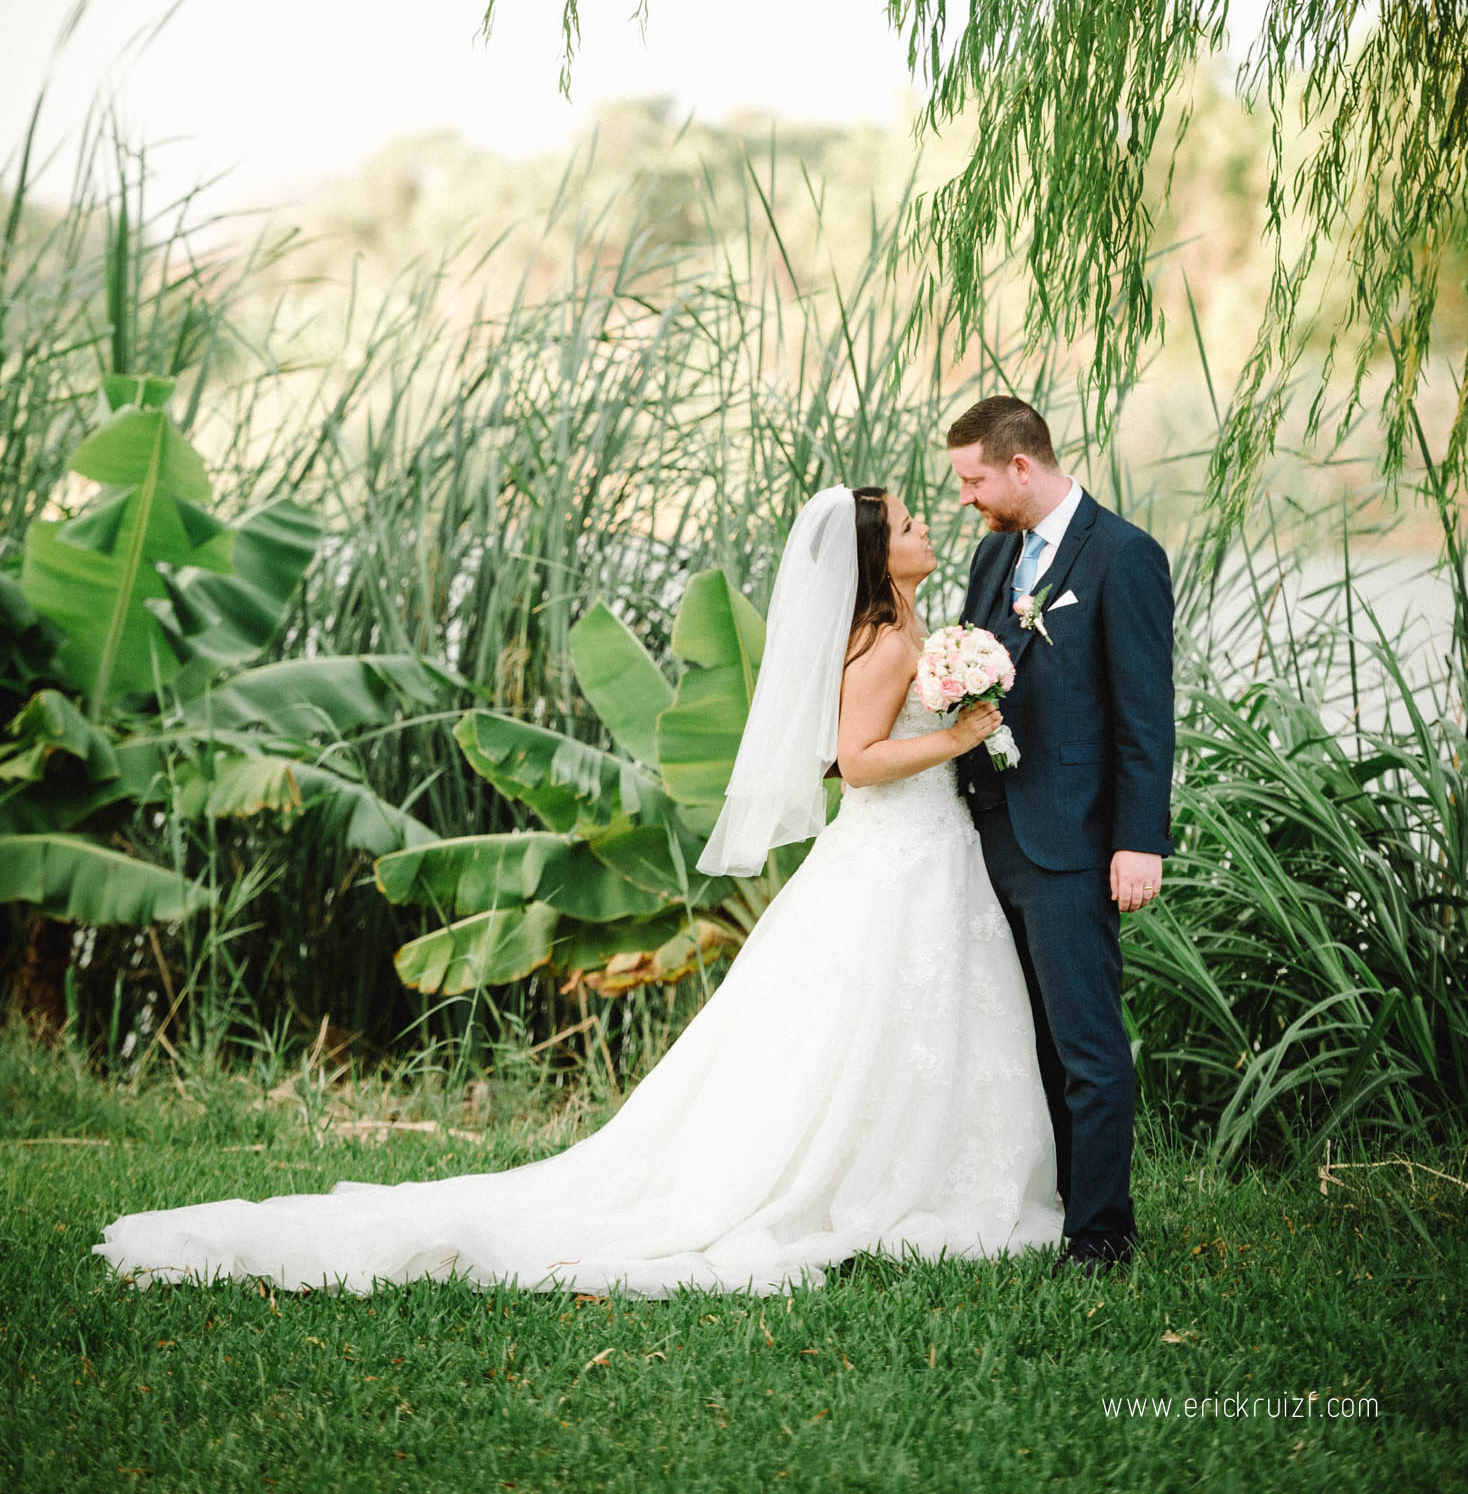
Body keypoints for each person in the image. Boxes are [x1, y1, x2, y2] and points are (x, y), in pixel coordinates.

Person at [93, 483, 1064, 1297]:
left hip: (925, 854)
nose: (924, 528)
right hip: (894, 855)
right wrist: (956, 735)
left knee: (903, 1025)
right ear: (875, 555)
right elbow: (856, 762)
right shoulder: (884, 642)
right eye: (907, 524)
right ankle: (877, 1184)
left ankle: (913, 1172)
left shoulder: (905, 626)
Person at [946, 397, 1175, 1273]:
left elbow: (1145, 714)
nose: (965, 497)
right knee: (1031, 1038)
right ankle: (1060, 1206)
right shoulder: (992, 553)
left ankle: (1103, 1233)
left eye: (973, 479)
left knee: (1086, 1043)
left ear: (1020, 466)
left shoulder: (1123, 555)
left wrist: (1138, 840)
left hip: (1075, 839)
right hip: (993, 828)